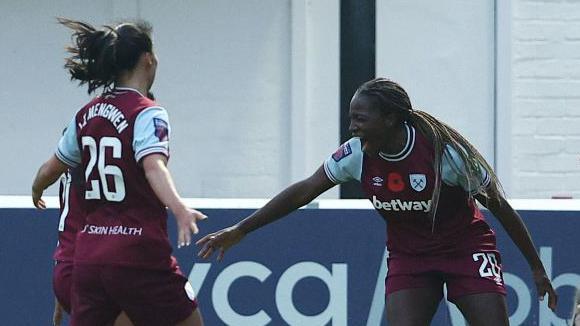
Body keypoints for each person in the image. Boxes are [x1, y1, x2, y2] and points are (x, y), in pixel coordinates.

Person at [197, 78, 558, 325]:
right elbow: (305, 189)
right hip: (411, 257)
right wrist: (241, 229)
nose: (352, 127)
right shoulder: (356, 155)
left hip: (465, 249)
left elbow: (499, 205)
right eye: (351, 118)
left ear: (390, 119)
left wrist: (536, 267)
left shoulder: (443, 154)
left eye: (360, 118)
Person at [32, 18, 206, 326]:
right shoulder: (147, 111)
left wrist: (37, 187)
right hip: (139, 252)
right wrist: (178, 207)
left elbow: (51, 167)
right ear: (148, 59)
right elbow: (153, 166)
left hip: (89, 256)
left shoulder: (85, 114)